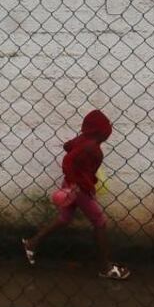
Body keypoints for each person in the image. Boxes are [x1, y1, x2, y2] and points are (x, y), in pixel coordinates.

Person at [21, 110, 130, 280]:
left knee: (64, 219)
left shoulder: (85, 141)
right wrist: (75, 184)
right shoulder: (91, 147)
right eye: (107, 130)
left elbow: (67, 146)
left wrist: (75, 178)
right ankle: (105, 267)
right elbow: (68, 160)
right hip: (78, 189)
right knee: (100, 222)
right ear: (101, 132)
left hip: (73, 185)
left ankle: (32, 243)